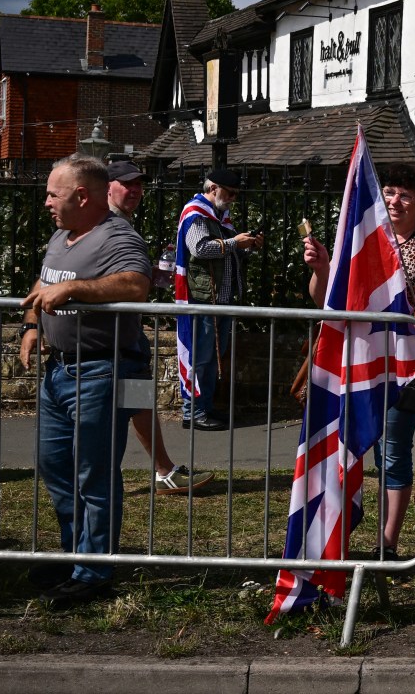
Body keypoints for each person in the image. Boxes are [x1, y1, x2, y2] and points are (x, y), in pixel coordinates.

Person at [19, 153, 154, 609]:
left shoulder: (118, 236)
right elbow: (43, 285)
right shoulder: (62, 235)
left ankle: (93, 571)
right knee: (54, 464)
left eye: (53, 194)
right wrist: (33, 325)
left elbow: (136, 285)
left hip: (100, 370)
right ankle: (77, 554)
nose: (46, 202)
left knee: (93, 473)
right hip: (59, 370)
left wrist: (75, 289)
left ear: (82, 196)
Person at [301, 160, 415, 559]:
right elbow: (328, 302)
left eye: (406, 195)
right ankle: (349, 532)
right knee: (356, 447)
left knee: (392, 451)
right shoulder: (365, 239)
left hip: (405, 366)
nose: (395, 201)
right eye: (389, 193)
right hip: (363, 361)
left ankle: (388, 542)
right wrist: (323, 268)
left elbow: (395, 300)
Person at [106, 160, 210, 496]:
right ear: (108, 187)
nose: (134, 190)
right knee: (113, 408)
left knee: (138, 403)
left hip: (127, 337)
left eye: (138, 184)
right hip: (109, 338)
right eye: (126, 184)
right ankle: (112, 475)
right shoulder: (103, 224)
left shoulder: (122, 222)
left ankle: (163, 470)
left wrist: (150, 273)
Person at [174, 166, 263, 431]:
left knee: (213, 356)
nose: (234, 198)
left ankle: (205, 408)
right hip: (203, 297)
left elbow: (226, 253)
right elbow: (200, 249)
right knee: (201, 356)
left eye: (236, 194)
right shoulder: (197, 214)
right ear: (214, 189)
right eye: (230, 193)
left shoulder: (220, 216)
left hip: (220, 297)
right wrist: (236, 243)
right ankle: (193, 412)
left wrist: (247, 245)